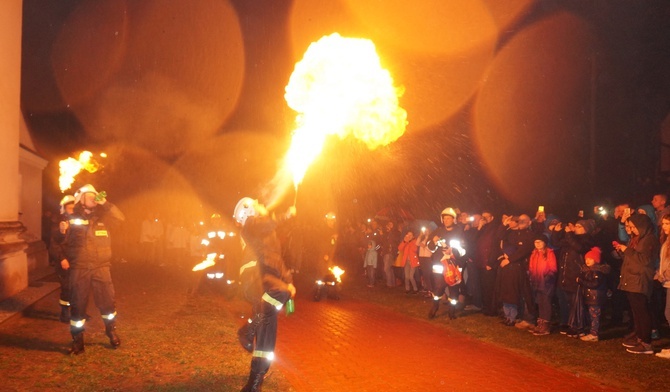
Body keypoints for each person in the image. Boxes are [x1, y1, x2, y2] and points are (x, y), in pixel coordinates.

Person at [233, 197, 296, 392]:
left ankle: (254, 383)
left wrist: (290, 281)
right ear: (249, 211)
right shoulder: (252, 225)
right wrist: (286, 214)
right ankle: (248, 329)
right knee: (279, 293)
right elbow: (265, 225)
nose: (263, 204)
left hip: (270, 283)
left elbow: (277, 260)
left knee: (266, 340)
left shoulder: (269, 233)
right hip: (255, 278)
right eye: (258, 204)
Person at [63, 184, 125, 355]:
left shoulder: (104, 218)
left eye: (94, 195)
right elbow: (62, 243)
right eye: (89, 196)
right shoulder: (71, 219)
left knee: (107, 302)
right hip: (80, 268)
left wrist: (105, 203)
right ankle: (78, 340)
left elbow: (120, 219)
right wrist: (63, 256)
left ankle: (110, 331)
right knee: (78, 304)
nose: (93, 198)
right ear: (80, 200)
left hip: (101, 267)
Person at [615, 214, 658, 354]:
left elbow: (644, 260)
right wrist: (622, 252)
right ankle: (640, 338)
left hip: (640, 279)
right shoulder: (637, 239)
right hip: (632, 279)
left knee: (642, 311)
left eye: (634, 227)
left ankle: (646, 342)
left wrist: (626, 250)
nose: (633, 230)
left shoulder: (649, 239)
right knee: (636, 312)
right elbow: (633, 257)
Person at [427, 207, 465, 319]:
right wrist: (433, 242)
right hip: (439, 265)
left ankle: (451, 312)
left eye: (449, 218)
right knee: (438, 288)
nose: (446, 220)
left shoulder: (459, 232)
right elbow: (431, 248)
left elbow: (464, 250)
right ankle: (435, 307)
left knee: (454, 290)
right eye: (445, 218)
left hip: (453, 264)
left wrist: (452, 251)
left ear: (453, 219)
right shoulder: (438, 231)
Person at [48, 195, 75, 323]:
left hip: (76, 261)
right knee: (67, 287)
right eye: (70, 208)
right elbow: (54, 244)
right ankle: (65, 313)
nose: (73, 210)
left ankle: (77, 311)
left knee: (78, 288)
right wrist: (62, 259)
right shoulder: (57, 223)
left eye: (74, 208)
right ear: (64, 209)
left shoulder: (77, 221)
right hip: (64, 262)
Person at [577, 247, 610, 342]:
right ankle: (592, 331)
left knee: (594, 316)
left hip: (595, 298)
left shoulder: (597, 272)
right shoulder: (588, 271)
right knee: (591, 315)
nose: (587, 261)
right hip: (590, 297)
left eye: (590, 259)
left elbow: (594, 284)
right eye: (586, 259)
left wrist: (581, 281)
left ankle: (594, 333)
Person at [528, 234, 557, 336]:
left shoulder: (549, 253)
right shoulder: (534, 253)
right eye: (536, 242)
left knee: (546, 303)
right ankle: (540, 324)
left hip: (546, 283)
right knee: (540, 303)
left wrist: (547, 277)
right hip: (537, 281)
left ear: (545, 242)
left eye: (540, 242)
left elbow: (553, 268)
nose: (537, 244)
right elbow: (531, 267)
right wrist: (532, 276)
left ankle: (546, 325)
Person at [655, 214, 670, 359]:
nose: (665, 227)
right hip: (667, 281)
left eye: (668, 223)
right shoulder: (666, 241)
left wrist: (663, 275)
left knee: (669, 313)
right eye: (664, 223)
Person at [398, 229, 419, 294]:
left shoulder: (415, 241)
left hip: (413, 261)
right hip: (406, 261)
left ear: (413, 236)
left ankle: (415, 289)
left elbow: (415, 249)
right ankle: (407, 289)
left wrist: (409, 242)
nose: (409, 236)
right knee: (406, 277)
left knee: (411, 276)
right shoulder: (405, 242)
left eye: (410, 235)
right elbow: (400, 248)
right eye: (408, 234)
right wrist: (404, 241)